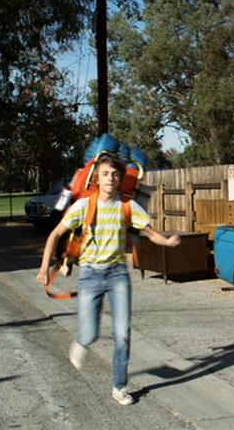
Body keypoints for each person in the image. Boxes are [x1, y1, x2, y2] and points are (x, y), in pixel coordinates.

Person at [37, 155, 180, 405]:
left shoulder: (128, 206)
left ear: (120, 179)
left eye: (114, 175)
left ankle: (119, 387)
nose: (110, 179)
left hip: (118, 275)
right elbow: (56, 234)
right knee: (90, 332)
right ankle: (81, 341)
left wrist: (166, 241)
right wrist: (43, 267)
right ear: (97, 178)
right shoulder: (84, 206)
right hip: (91, 274)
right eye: (105, 174)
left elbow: (149, 231)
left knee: (122, 334)